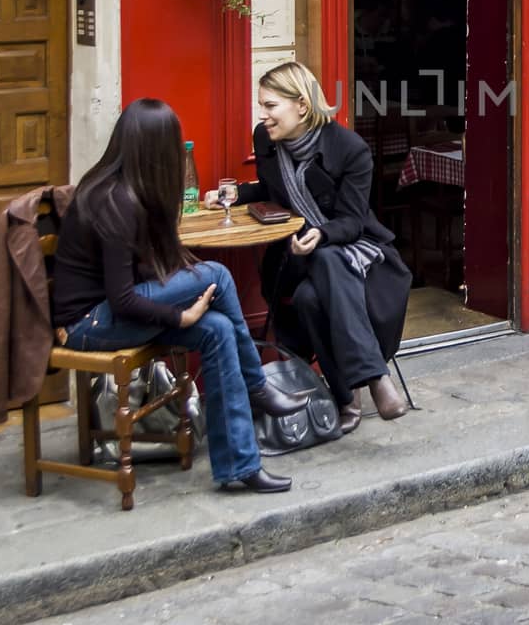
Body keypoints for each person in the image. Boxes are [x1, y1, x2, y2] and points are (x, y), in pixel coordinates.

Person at [49, 98, 309, 495]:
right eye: (174, 143)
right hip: (89, 324)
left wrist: (182, 305)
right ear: (155, 150)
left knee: (219, 329)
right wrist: (179, 319)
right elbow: (122, 299)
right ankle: (258, 387)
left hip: (113, 314)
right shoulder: (113, 200)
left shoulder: (131, 191)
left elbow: (144, 275)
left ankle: (239, 465)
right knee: (218, 275)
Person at [213, 61, 412, 436]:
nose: (264, 115)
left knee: (310, 297)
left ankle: (345, 397)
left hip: (356, 251)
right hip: (293, 258)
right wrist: (238, 194)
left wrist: (320, 235)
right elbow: (274, 191)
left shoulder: (350, 149)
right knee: (320, 265)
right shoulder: (266, 139)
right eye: (262, 106)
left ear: (301, 106)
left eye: (271, 106)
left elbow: (353, 222)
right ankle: (374, 378)